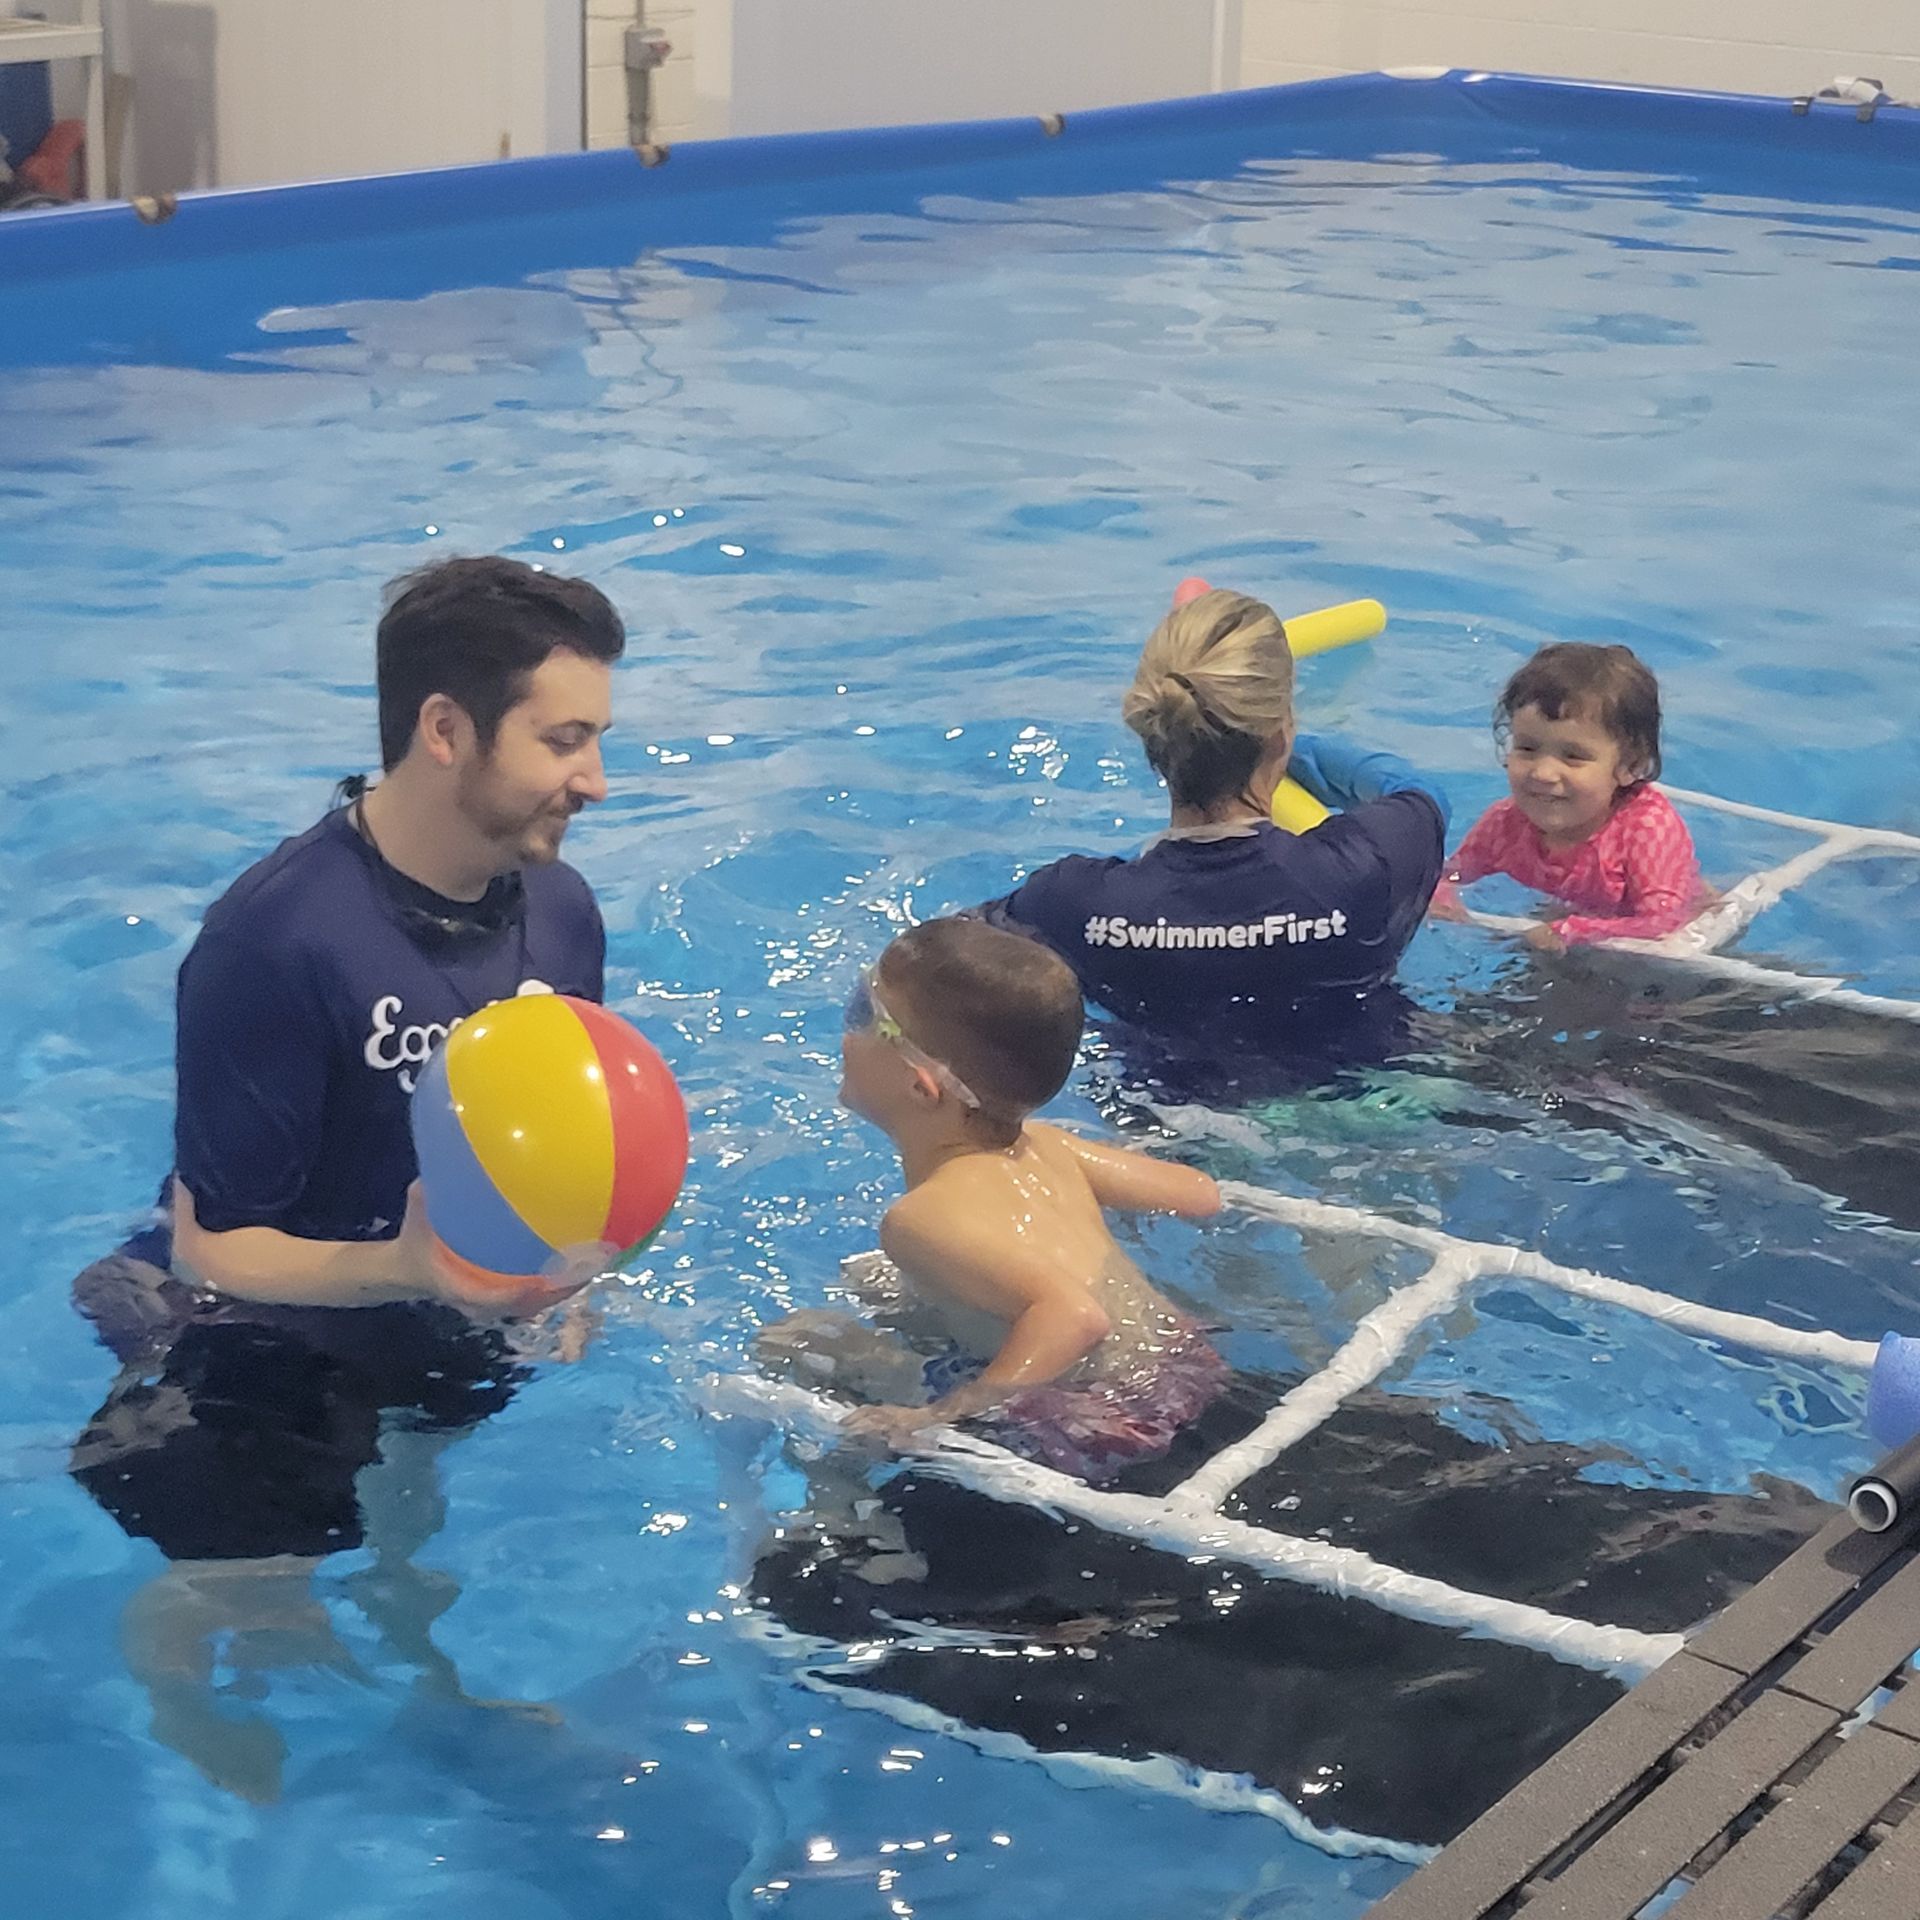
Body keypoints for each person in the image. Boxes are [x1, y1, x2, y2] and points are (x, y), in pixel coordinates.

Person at [68, 554, 626, 1798]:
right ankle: (176, 1696)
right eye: (564, 740)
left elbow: (567, 1128)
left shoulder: (562, 912)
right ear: (446, 730)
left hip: (438, 1297)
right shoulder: (277, 940)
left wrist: (573, 1268)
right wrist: (411, 1267)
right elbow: (214, 1245)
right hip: (257, 1334)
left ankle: (430, 1685)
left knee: (408, 1511)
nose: (595, 778)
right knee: (239, 1587)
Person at [761, 918, 1226, 1485]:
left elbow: (1076, 1316)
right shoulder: (1048, 1146)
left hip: (1095, 1422)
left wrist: (943, 1413)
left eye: (863, 1015)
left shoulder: (920, 1218)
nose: (845, 1037)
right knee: (877, 1281)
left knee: (796, 1340)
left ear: (921, 1086)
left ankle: (840, 1515)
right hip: (1185, 1367)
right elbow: (1198, 1195)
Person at [979, 584, 1449, 1067]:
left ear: (1153, 734)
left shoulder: (1074, 905)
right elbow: (1417, 791)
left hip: (1157, 1109)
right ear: (1278, 733)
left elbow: (952, 957)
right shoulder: (1368, 866)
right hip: (1373, 1093)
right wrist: (1298, 752)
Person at [1431, 642, 1705, 952]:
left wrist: (1573, 930)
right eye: (1527, 749)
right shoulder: (1505, 823)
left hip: (1667, 945)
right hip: (1570, 920)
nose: (1543, 773)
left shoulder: (1647, 829)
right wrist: (1440, 894)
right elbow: (1450, 874)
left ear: (1630, 766)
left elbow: (1665, 922)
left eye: (1573, 756)